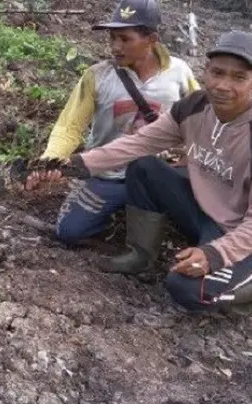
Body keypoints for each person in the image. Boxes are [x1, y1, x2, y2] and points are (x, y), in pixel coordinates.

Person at [26, 30, 252, 316]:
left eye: (238, 77)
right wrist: (73, 165)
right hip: (207, 215)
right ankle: (141, 256)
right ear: (206, 71)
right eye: (217, 73)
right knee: (145, 166)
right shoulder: (195, 106)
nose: (223, 85)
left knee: (185, 289)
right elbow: (138, 143)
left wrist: (215, 254)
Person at [33, 0, 200, 244]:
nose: (115, 47)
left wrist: (192, 155)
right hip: (107, 173)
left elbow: (200, 120)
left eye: (124, 38)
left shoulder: (180, 73)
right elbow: (69, 126)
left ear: (152, 39)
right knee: (69, 232)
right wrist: (50, 160)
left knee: (198, 227)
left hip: (157, 173)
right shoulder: (98, 76)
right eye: (112, 38)